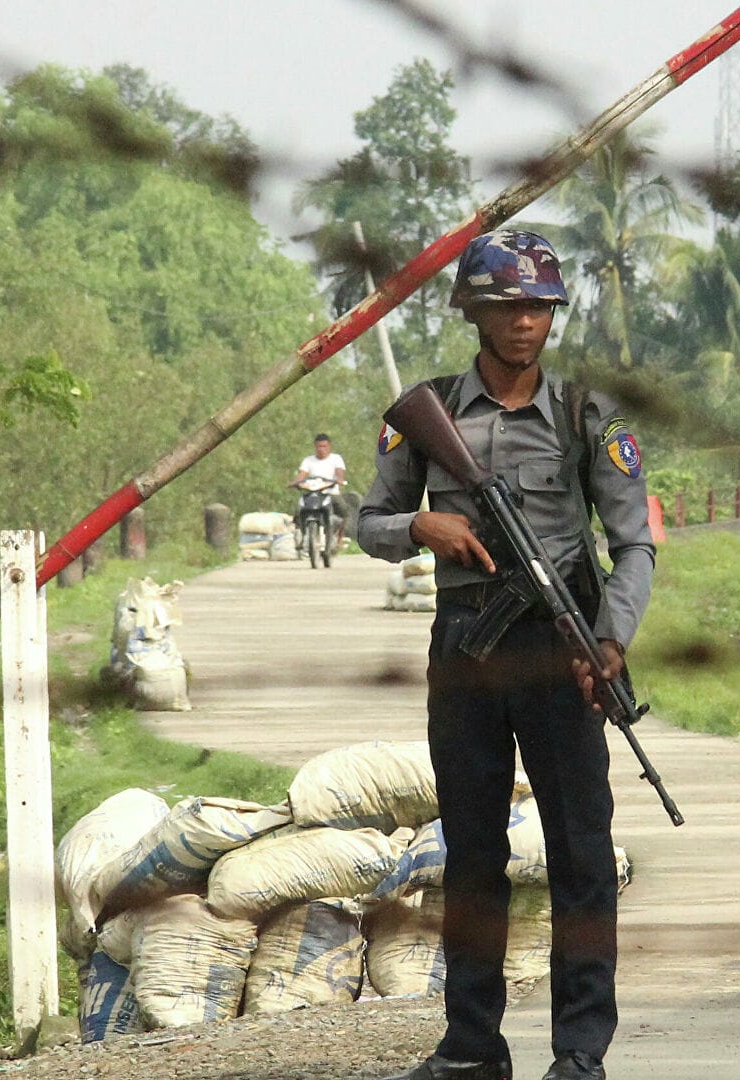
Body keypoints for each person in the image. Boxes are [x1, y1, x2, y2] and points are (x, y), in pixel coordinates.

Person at [359, 229, 654, 1080]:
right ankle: (471, 1049)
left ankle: (580, 1053)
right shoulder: (428, 413)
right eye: (508, 306)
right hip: (465, 648)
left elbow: (633, 546)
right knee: (474, 853)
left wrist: (609, 640)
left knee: (581, 855)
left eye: (539, 307)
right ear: (474, 312)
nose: (525, 322)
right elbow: (368, 523)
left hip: (562, 650)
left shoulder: (586, 415)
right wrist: (421, 525)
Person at [294, 433, 348, 547]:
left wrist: (339, 480)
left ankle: (339, 537)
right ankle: (300, 535)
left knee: (343, 511)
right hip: (312, 493)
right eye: (319, 446)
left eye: (324, 446)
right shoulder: (308, 460)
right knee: (299, 509)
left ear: (329, 446)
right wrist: (296, 482)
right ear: (315, 446)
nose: (321, 449)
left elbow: (339, 473)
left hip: (330, 493)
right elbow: (302, 475)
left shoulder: (336, 458)